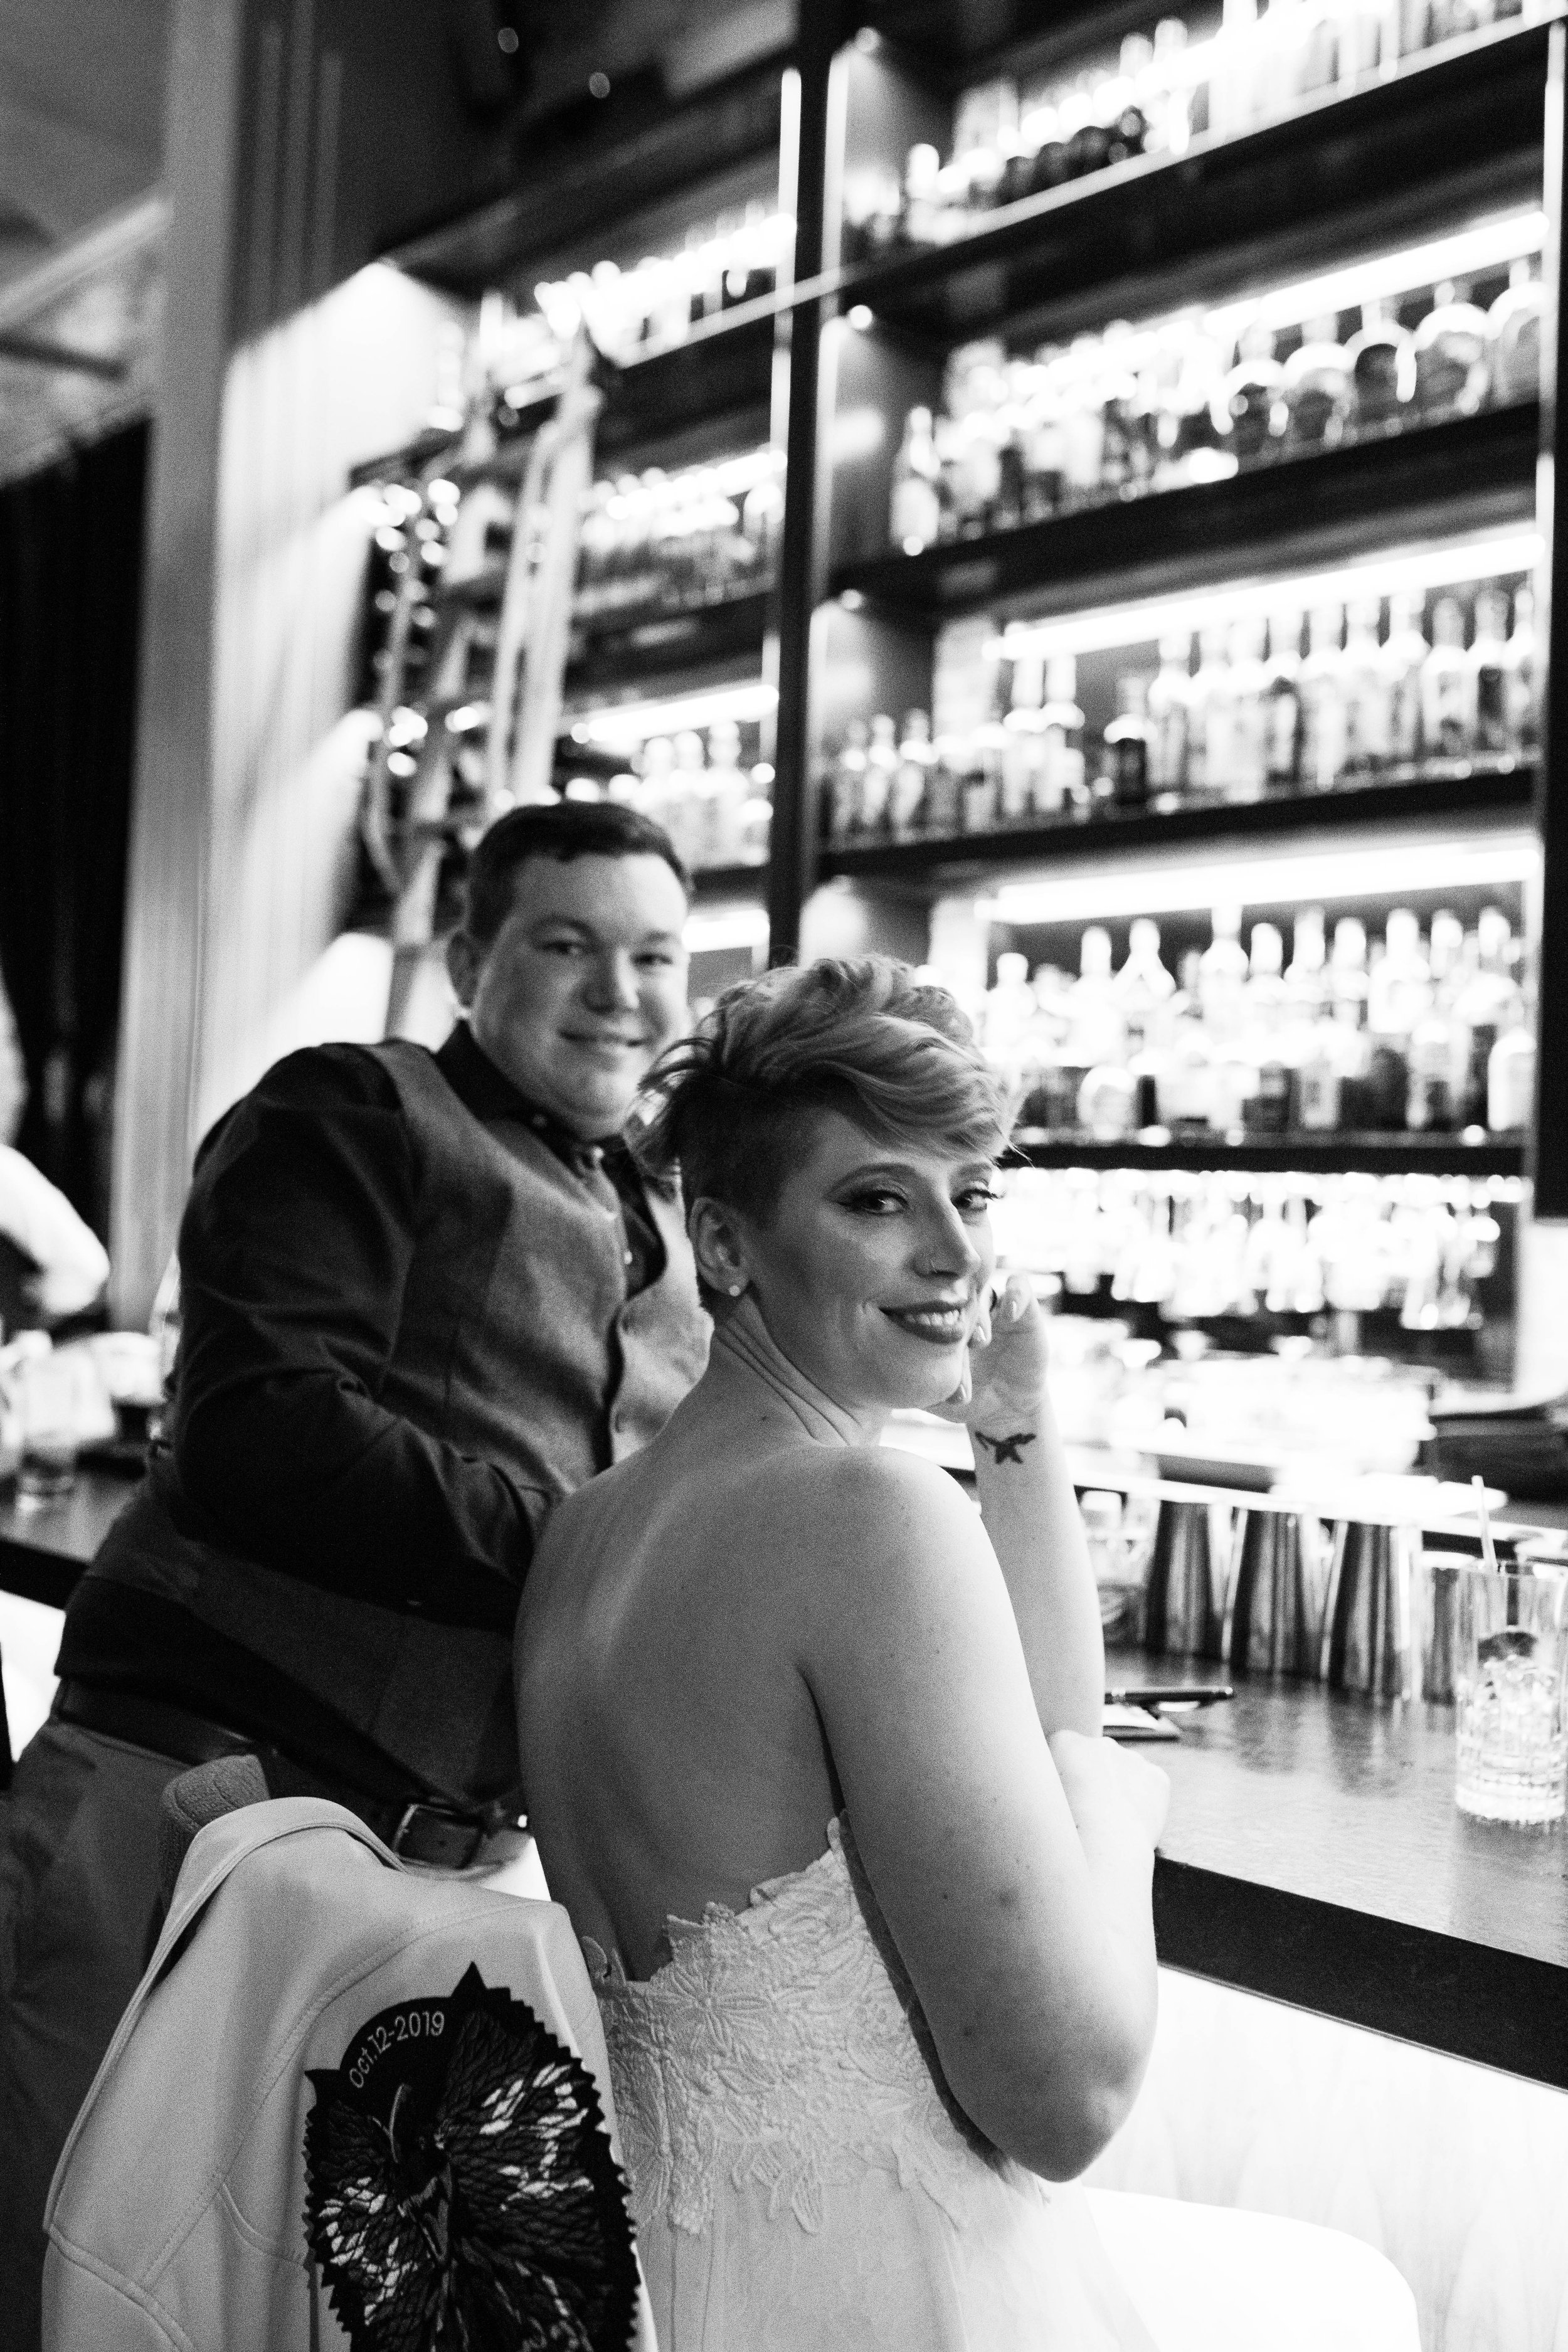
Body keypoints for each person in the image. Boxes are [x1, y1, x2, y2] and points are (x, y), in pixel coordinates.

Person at [515, 957, 1423, 2351]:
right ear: (724, 1244)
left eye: (974, 1190)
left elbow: (1040, 1723)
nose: (954, 1248)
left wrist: (1012, 1414)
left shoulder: (589, 1531)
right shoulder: (862, 1515)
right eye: (878, 1198)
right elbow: (1065, 2101)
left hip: (676, 2285)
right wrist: (1114, 1818)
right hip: (887, 2293)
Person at [0, 800, 711, 2352]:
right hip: (187, 1802)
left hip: (432, 1877)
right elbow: (265, 1428)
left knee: (259, 2310)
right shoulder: (351, 1110)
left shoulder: (663, 1213)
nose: (618, 990)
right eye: (566, 944)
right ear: (467, 957)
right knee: (54, 2263)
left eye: (654, 955)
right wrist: (599, 1555)